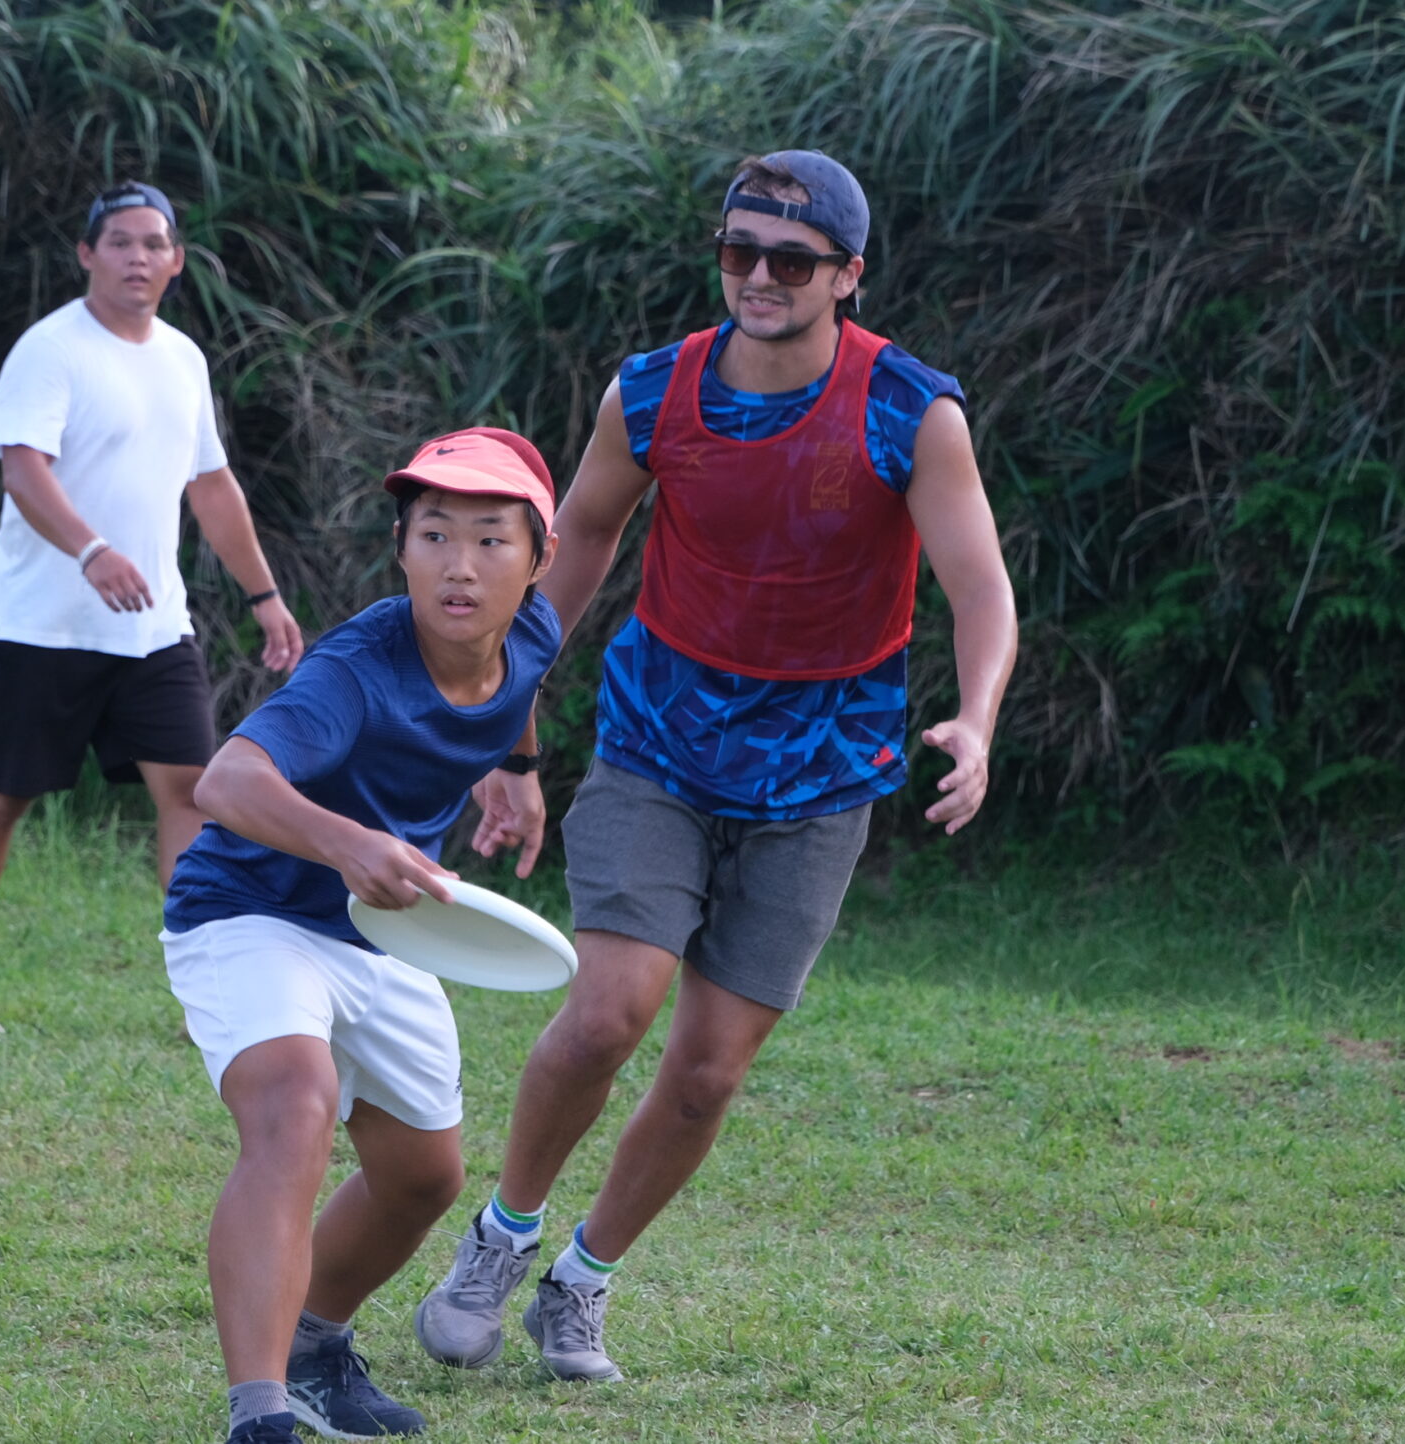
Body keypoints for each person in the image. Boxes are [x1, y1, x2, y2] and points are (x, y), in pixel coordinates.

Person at [415, 150, 1019, 1381]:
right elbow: (576, 544)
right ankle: (501, 1235)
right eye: (739, 251)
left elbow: (979, 588)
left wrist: (977, 718)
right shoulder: (653, 392)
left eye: (792, 260)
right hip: (659, 744)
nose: (759, 276)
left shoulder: (910, 409)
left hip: (822, 774)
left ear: (847, 275)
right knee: (607, 1013)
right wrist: (507, 727)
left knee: (704, 1073)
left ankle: (580, 1281)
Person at [163, 429, 561, 1442]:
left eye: (490, 539)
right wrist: (348, 843)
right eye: (434, 535)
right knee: (293, 1108)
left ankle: (313, 1348)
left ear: (537, 560)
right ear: (401, 550)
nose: (459, 566)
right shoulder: (356, 669)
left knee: (425, 1176)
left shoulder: (534, 632)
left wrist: (517, 769)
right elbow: (226, 782)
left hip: (385, 927)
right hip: (250, 909)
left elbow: (517, 685)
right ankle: (259, 1410)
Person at [0, 181, 304, 1035]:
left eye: (153, 243)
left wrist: (265, 596)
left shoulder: (183, 358)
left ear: (176, 261)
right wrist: (92, 551)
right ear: (87, 254)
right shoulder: (51, 349)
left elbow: (212, 485)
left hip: (154, 628)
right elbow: (23, 469)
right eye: (119, 242)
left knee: (192, 792)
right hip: (42, 623)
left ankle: (207, 988)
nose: (137, 257)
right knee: (2, 796)